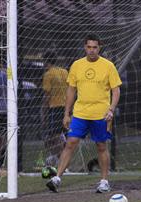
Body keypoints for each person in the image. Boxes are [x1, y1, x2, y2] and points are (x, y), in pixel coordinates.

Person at [46, 34, 121, 193]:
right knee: (70, 142)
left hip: (101, 114)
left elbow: (116, 90)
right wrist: (67, 113)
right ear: (84, 47)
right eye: (89, 47)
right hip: (80, 113)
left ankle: (104, 181)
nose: (92, 50)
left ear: (99, 48)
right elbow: (71, 90)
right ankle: (57, 178)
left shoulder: (108, 66)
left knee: (101, 146)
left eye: (95, 47)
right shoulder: (76, 65)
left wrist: (111, 109)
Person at [41, 51, 68, 165]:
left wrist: (43, 110)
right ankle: (57, 158)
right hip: (66, 107)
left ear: (46, 61)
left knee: (53, 137)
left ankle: (62, 162)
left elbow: (47, 95)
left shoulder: (48, 75)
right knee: (58, 136)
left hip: (55, 108)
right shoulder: (64, 72)